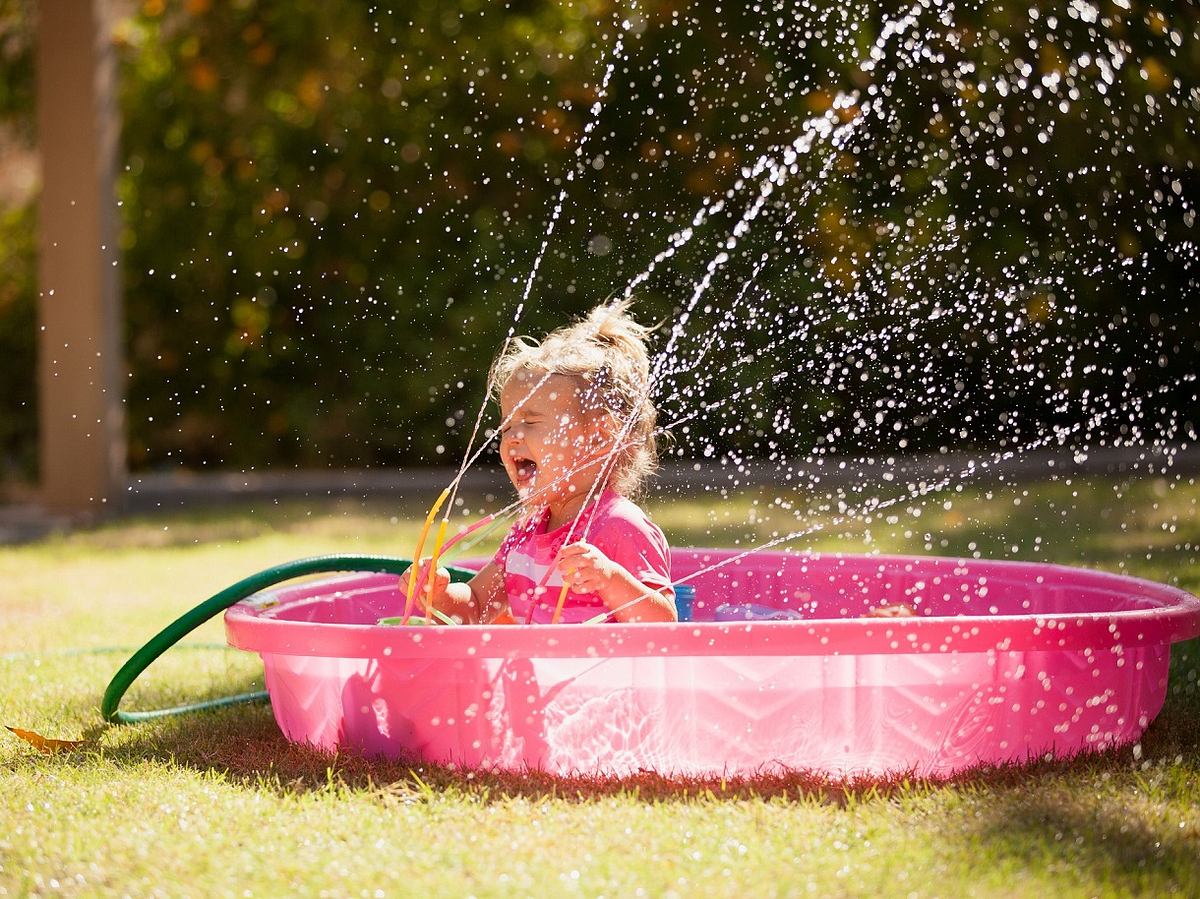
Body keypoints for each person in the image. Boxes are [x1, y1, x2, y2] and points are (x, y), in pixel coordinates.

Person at [418, 301, 676, 624]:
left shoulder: (618, 526)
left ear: (599, 436)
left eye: (531, 421)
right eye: (507, 425)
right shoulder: (525, 533)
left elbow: (665, 627)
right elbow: (477, 607)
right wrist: (438, 595)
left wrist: (610, 579)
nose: (511, 437)